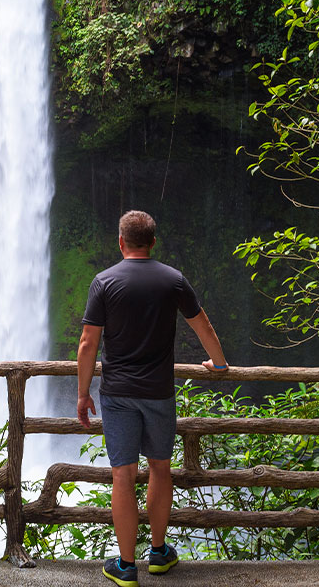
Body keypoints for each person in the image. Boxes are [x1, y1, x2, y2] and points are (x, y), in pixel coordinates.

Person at [76, 210, 229, 587]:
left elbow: (87, 344)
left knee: (123, 475)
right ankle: (159, 553)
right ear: (153, 242)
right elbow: (203, 325)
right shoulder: (173, 280)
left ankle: (126, 566)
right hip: (159, 392)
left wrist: (82, 395)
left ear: (121, 242)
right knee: (161, 468)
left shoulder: (104, 282)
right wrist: (220, 364)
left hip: (118, 394)